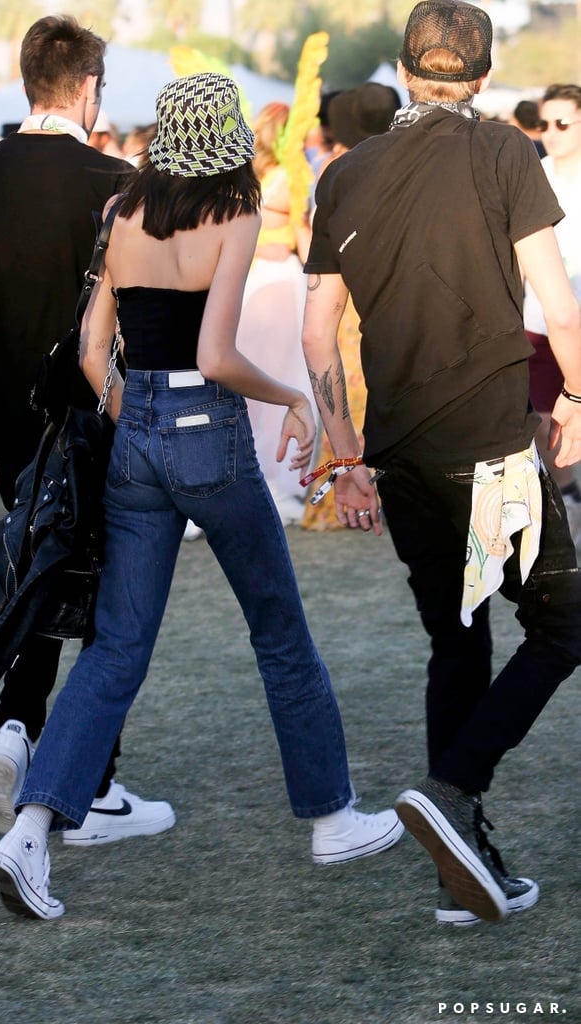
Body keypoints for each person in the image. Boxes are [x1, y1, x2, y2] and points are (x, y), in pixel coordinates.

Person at [0, 72, 404, 921]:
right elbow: (214, 356)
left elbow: (96, 352)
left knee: (113, 650)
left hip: (135, 434)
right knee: (279, 631)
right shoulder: (235, 213)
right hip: (206, 433)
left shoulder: (122, 214)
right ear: (226, 128)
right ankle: (331, 819)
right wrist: (289, 397)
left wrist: (132, 415)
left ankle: (28, 833)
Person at [302, 0, 581, 927]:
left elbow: (316, 336)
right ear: (486, 74)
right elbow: (560, 304)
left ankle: (460, 873)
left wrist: (342, 454)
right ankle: (454, 786)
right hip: (489, 444)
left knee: (455, 639)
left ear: (402, 67)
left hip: (400, 448)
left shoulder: (345, 174)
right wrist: (576, 399)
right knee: (563, 625)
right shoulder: (506, 151)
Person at [0, 15, 174, 845]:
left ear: (26, 81)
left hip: (12, 420)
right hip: (97, 416)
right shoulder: (116, 178)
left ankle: (17, 727)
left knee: (42, 580)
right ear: (87, 88)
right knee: (109, 602)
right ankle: (93, 786)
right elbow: (135, 320)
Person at [302, 83, 400, 530]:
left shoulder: (336, 172)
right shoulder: (406, 166)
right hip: (387, 302)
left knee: (346, 392)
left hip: (341, 298)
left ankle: (355, 477)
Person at [234, 101, 315, 525]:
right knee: (282, 380)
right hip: (279, 281)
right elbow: (299, 235)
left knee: (254, 381)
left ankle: (255, 477)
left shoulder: (245, 173)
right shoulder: (290, 174)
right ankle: (277, 480)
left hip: (249, 280)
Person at [523, 83, 581, 547]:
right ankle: (564, 496)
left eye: (563, 123)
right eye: (545, 124)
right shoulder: (533, 175)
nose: (552, 133)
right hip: (539, 319)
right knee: (545, 420)